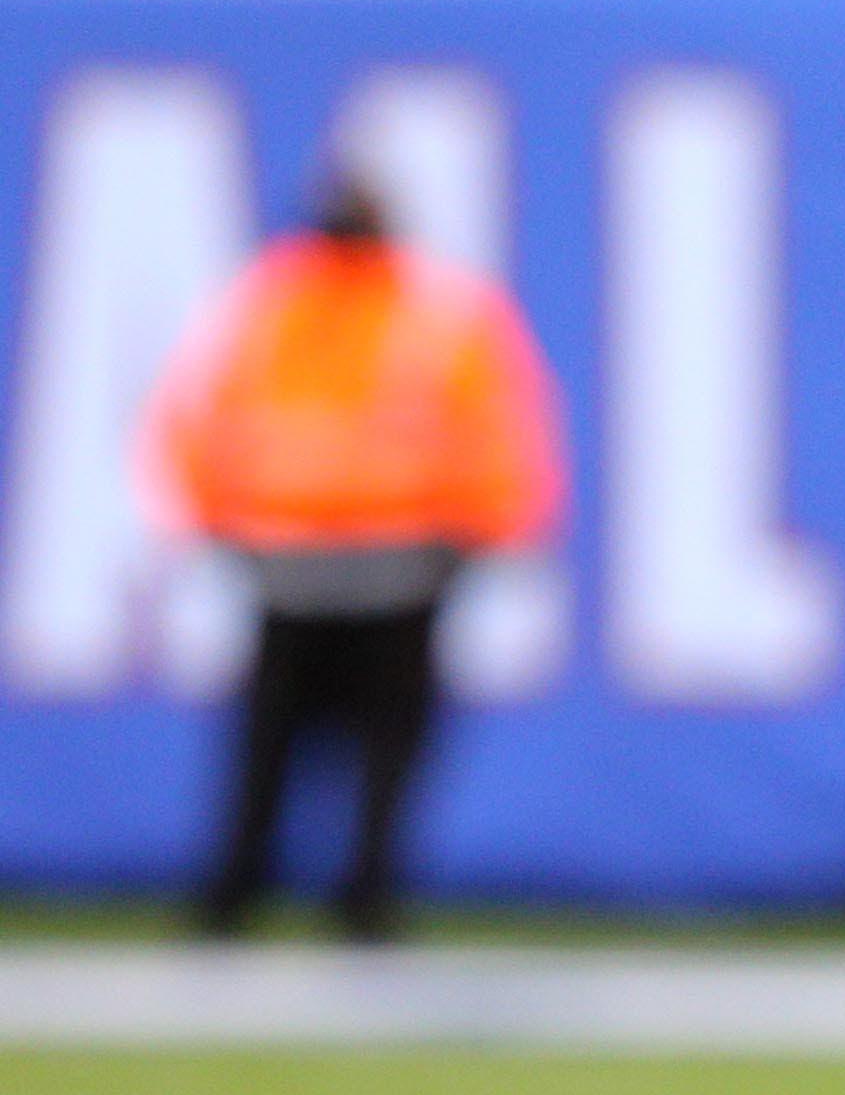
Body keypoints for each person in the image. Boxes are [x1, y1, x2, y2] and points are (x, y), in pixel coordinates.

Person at [141, 173, 566, 940]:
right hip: (346, 564)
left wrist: (216, 522)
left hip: (350, 564)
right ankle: (288, 892)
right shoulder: (373, 312)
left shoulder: (293, 309)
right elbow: (204, 418)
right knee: (311, 748)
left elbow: (198, 418)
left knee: (311, 747)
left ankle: (306, 893)